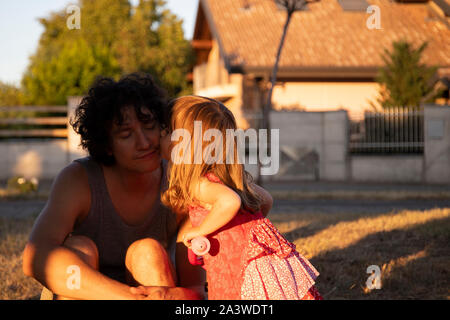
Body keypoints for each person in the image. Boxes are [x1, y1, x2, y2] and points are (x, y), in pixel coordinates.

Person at [22, 73, 205, 300]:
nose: (145, 142)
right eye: (126, 134)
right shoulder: (79, 180)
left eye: (149, 126)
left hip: (150, 288)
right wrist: (126, 296)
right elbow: (35, 258)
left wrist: (173, 295)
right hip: (88, 293)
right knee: (80, 248)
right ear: (107, 145)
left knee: (147, 251)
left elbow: (196, 292)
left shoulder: (179, 182)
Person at [160, 95, 323, 300]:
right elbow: (265, 199)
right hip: (263, 265)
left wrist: (200, 230)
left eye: (166, 132)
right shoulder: (229, 181)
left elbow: (229, 202)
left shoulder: (199, 184)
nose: (158, 137)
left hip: (240, 269)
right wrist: (246, 227)